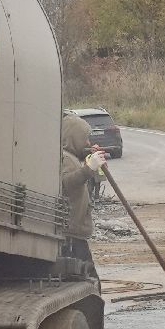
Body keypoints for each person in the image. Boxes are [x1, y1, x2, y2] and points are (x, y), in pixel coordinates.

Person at [59, 111, 107, 273]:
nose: (88, 142)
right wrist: (88, 169)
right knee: (88, 277)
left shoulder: (72, 157)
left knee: (88, 275)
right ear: (73, 138)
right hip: (70, 235)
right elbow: (65, 184)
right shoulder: (65, 158)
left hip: (74, 232)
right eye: (84, 138)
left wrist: (88, 156)